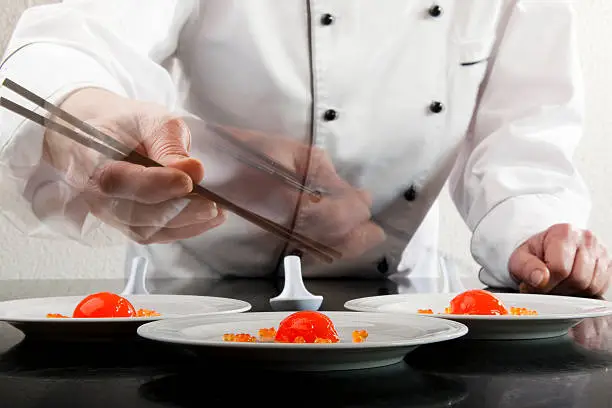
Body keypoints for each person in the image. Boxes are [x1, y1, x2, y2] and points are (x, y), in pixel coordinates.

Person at [0, 0, 608, 296]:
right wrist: (88, 118)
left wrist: (534, 239)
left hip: (401, 310)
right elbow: (74, 40)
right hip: (191, 304)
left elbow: (522, 143)